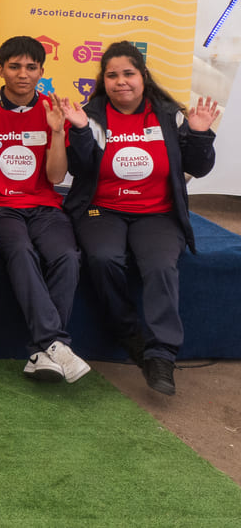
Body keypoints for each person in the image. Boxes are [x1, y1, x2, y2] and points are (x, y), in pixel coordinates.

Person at [61, 41, 218, 396]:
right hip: (102, 210)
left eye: (128, 73)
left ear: (143, 76)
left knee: (160, 266)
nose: (121, 82)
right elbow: (79, 168)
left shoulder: (168, 115)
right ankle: (129, 333)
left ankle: (161, 354)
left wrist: (198, 134)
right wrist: (81, 131)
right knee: (103, 258)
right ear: (103, 80)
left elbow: (197, 167)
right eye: (112, 75)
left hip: (157, 213)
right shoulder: (92, 115)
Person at [0, 36, 88, 384]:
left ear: (41, 72)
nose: (23, 74)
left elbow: (56, 177)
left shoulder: (52, 109)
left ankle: (42, 351)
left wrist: (58, 132)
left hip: (44, 206)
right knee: (20, 250)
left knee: (67, 256)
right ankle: (55, 343)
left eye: (31, 67)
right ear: (0, 69)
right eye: (14, 66)